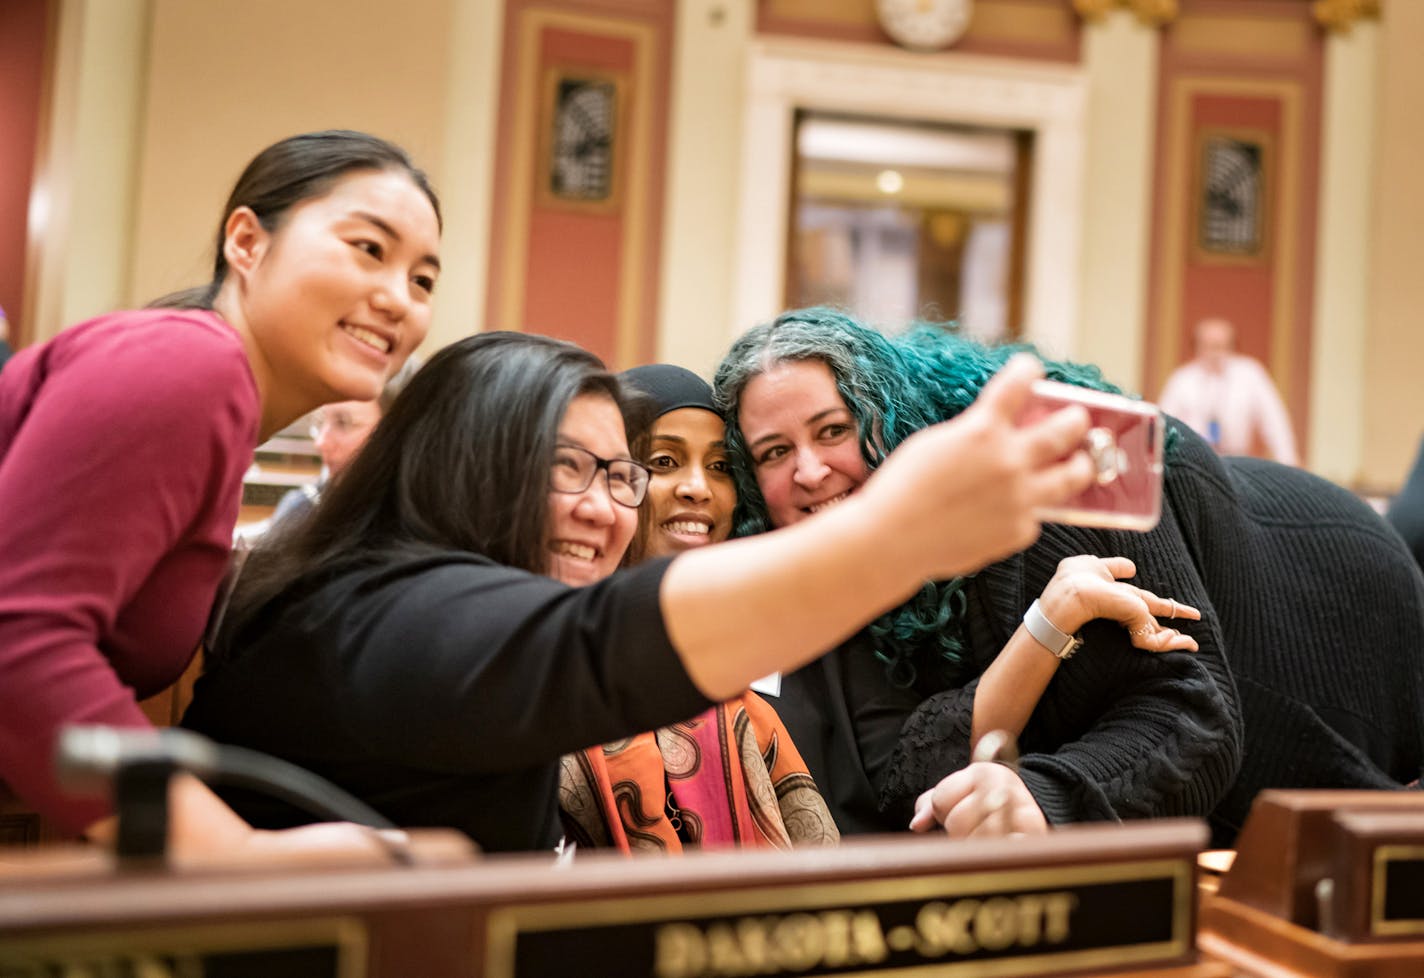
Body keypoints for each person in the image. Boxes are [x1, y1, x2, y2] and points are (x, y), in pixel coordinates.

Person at [182, 330, 1100, 853]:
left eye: (622, 476)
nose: (604, 510)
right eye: (568, 469)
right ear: (469, 466)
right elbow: (602, 644)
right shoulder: (385, 617)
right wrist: (903, 531)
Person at [714, 307, 1424, 846]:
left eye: (834, 430)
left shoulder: (1052, 474)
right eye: (775, 452)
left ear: (892, 416)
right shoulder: (838, 572)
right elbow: (906, 774)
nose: (808, 471)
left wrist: (1042, 797)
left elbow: (1190, 714)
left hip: (1333, 631)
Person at [0, 129, 442, 860]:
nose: (397, 299)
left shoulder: (213, 387)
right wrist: (238, 857)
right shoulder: (191, 365)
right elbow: (16, 639)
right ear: (246, 242)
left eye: (423, 280)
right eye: (369, 249)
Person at [559, 363, 838, 852]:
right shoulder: (558, 646)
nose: (698, 488)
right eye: (664, 462)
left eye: (720, 467)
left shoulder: (787, 638)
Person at [269, 355, 422, 528]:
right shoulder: (302, 508)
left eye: (343, 423)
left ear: (397, 435)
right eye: (321, 421)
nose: (321, 443)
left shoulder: (433, 535)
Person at [1158, 316, 1298, 464]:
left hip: (1236, 461)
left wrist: (1289, 462)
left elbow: (1274, 422)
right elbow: (1164, 424)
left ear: (1232, 347)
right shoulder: (1182, 379)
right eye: (1208, 346)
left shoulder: (1251, 374)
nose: (1214, 353)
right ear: (1197, 347)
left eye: (1220, 346)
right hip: (1192, 461)